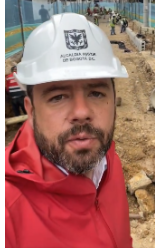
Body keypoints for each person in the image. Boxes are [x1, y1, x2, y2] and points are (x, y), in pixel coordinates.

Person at [5, 13, 131, 248]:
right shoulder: (8, 211)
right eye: (58, 97)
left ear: (114, 102)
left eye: (96, 93)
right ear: (31, 112)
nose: (82, 112)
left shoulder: (107, 162)